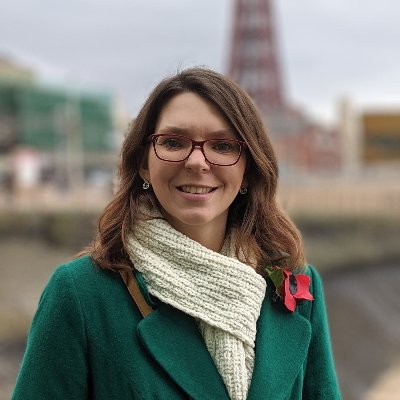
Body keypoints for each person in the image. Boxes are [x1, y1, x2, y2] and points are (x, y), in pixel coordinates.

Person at [12, 67, 341, 399]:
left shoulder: (295, 287)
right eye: (172, 142)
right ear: (143, 162)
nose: (197, 162)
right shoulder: (82, 295)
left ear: (249, 168)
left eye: (223, 145)